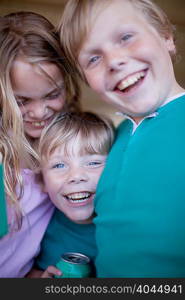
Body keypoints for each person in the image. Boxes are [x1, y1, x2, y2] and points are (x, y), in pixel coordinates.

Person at [59, 0, 185, 277]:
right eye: (93, 59)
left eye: (126, 37)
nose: (114, 61)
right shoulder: (114, 138)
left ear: (166, 37)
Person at [0, 11, 80, 277]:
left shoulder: (64, 150)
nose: (39, 112)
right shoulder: (5, 167)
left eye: (52, 94)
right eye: (22, 101)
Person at [27, 111, 115, 277]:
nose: (76, 176)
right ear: (42, 181)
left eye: (93, 162)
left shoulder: (123, 228)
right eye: (59, 165)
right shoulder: (39, 226)